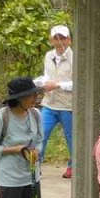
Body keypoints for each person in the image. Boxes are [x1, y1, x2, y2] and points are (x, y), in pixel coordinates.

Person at [37, 24, 75, 178]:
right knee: (41, 134)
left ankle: (74, 167)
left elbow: (79, 83)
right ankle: (35, 166)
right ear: (51, 40)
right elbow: (47, 75)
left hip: (68, 105)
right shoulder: (48, 56)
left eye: (63, 38)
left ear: (69, 40)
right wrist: (43, 83)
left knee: (71, 138)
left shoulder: (76, 57)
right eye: (56, 38)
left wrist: (58, 85)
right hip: (49, 103)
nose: (60, 41)